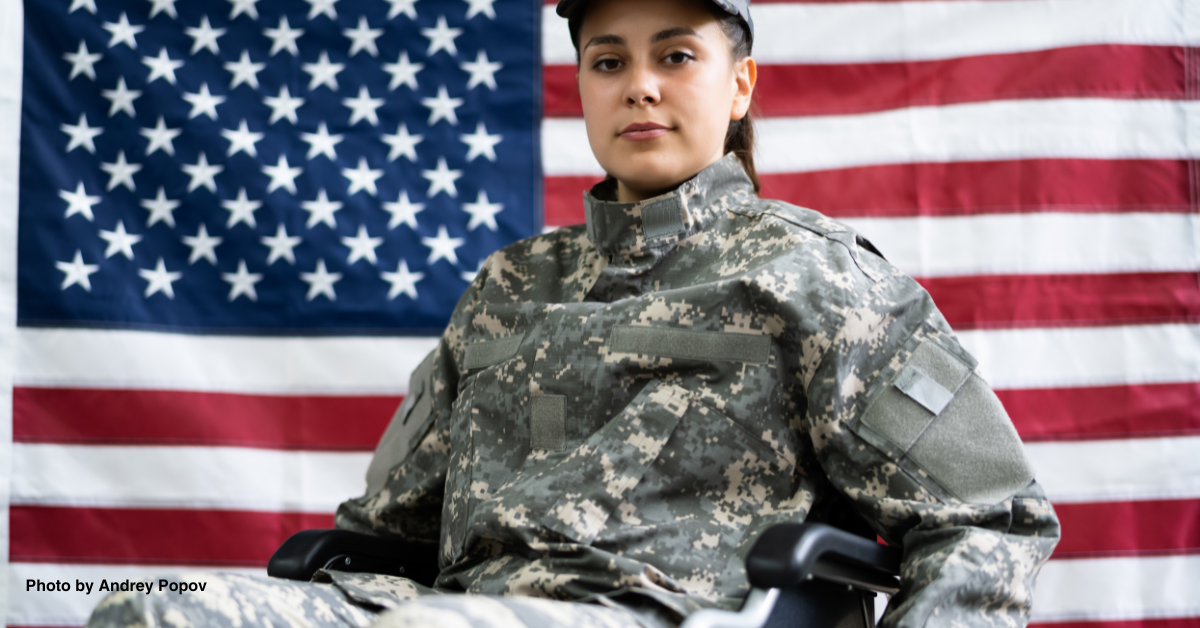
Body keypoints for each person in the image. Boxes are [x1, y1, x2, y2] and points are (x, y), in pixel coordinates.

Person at [86, 0, 1060, 626]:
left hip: (659, 613)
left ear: (740, 85)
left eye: (676, 55)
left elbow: (992, 520)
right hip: (462, 611)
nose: (640, 85)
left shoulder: (820, 278)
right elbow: (382, 530)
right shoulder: (508, 287)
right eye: (608, 61)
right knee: (146, 609)